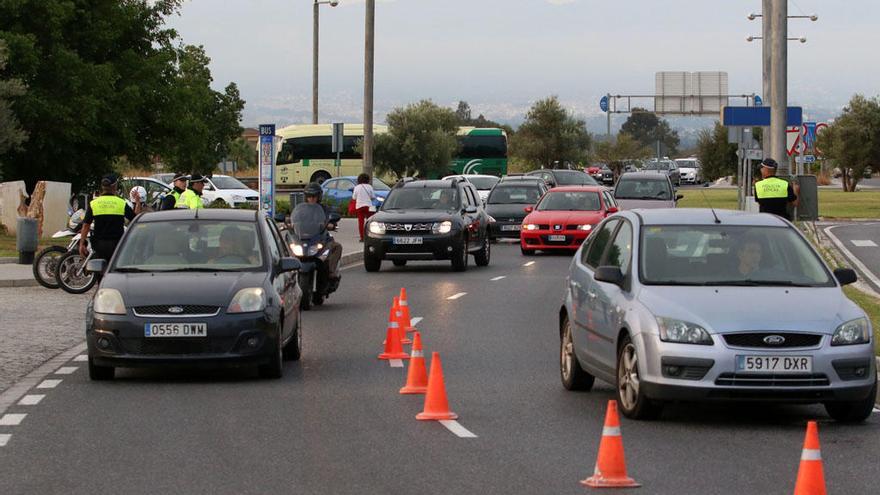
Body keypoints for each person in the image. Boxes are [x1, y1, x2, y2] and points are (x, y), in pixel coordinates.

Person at [79, 174, 142, 262]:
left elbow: (86, 225)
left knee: (98, 270)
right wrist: (138, 202)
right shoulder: (121, 203)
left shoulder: (94, 203)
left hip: (99, 246)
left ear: (102, 187)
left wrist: (82, 244)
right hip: (117, 246)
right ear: (115, 186)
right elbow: (135, 219)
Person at [290, 183, 342, 281]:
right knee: (286, 247)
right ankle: (287, 272)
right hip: (302, 237)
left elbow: (331, 216)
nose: (312, 198)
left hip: (319, 237)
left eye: (314, 196)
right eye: (309, 196)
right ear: (306, 197)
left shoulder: (324, 209)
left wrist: (331, 224)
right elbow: (294, 218)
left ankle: (331, 271)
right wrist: (288, 223)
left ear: (319, 196)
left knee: (337, 247)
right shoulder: (300, 209)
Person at [352, 173, 376, 242]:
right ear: (367, 180)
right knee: (370, 222)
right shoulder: (370, 187)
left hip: (359, 206)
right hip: (369, 206)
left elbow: (354, 197)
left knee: (361, 222)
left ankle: (362, 237)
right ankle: (370, 236)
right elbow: (373, 197)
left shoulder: (357, 187)